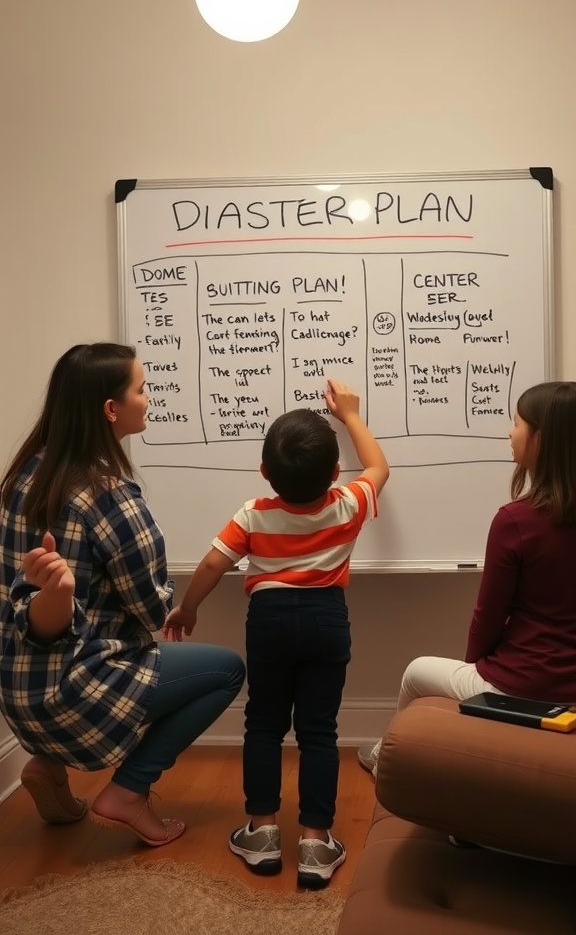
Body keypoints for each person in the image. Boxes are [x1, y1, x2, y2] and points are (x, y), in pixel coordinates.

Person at [0, 342, 245, 847]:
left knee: (94, 638)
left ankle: (47, 766)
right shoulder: (108, 494)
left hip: (19, 698)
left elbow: (27, 601)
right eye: (141, 388)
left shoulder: (23, 476)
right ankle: (129, 792)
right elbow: (153, 610)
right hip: (76, 697)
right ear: (111, 410)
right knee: (226, 670)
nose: (149, 397)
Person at [163, 379, 390, 887]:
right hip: (328, 619)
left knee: (263, 723)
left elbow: (211, 563)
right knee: (319, 730)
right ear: (335, 473)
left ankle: (262, 832)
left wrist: (188, 608)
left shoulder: (254, 512)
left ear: (265, 473)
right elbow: (379, 468)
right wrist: (350, 415)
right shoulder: (347, 503)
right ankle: (314, 842)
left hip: (268, 621)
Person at [358, 380, 576, 778]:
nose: (510, 433)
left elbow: (487, 617)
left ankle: (383, 762)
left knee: (416, 671)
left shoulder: (516, 521)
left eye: (516, 423)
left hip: (520, 685)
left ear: (540, 440)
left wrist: (476, 668)